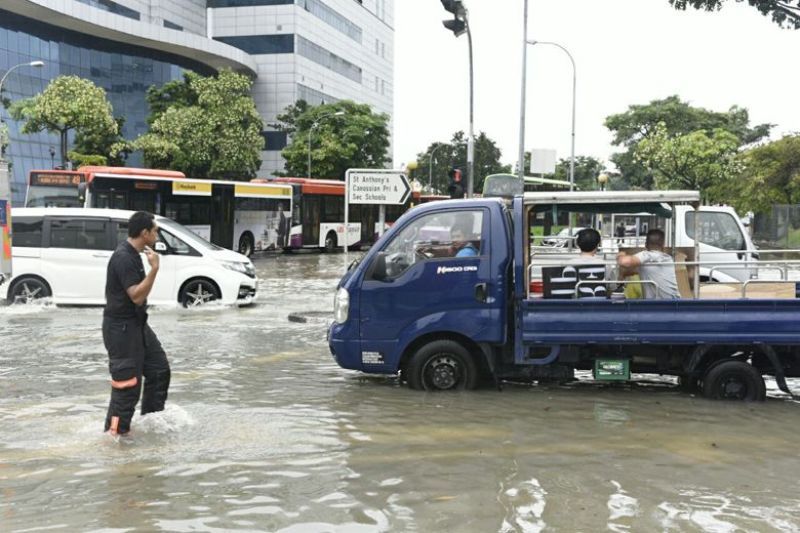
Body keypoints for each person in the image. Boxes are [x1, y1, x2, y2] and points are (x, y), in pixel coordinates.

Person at [103, 211, 170, 436]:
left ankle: (149, 423)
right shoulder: (123, 257)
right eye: (155, 231)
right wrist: (155, 269)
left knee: (159, 370)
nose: (157, 236)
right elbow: (137, 296)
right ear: (145, 233)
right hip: (121, 331)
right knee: (127, 388)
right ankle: (114, 439)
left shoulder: (135, 254)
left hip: (137, 325)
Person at [617, 228, 680, 299]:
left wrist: (620, 255)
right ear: (663, 245)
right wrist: (623, 274)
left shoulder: (648, 255)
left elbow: (625, 262)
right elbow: (633, 270)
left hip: (658, 303)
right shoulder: (668, 259)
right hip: (675, 302)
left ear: (646, 244)